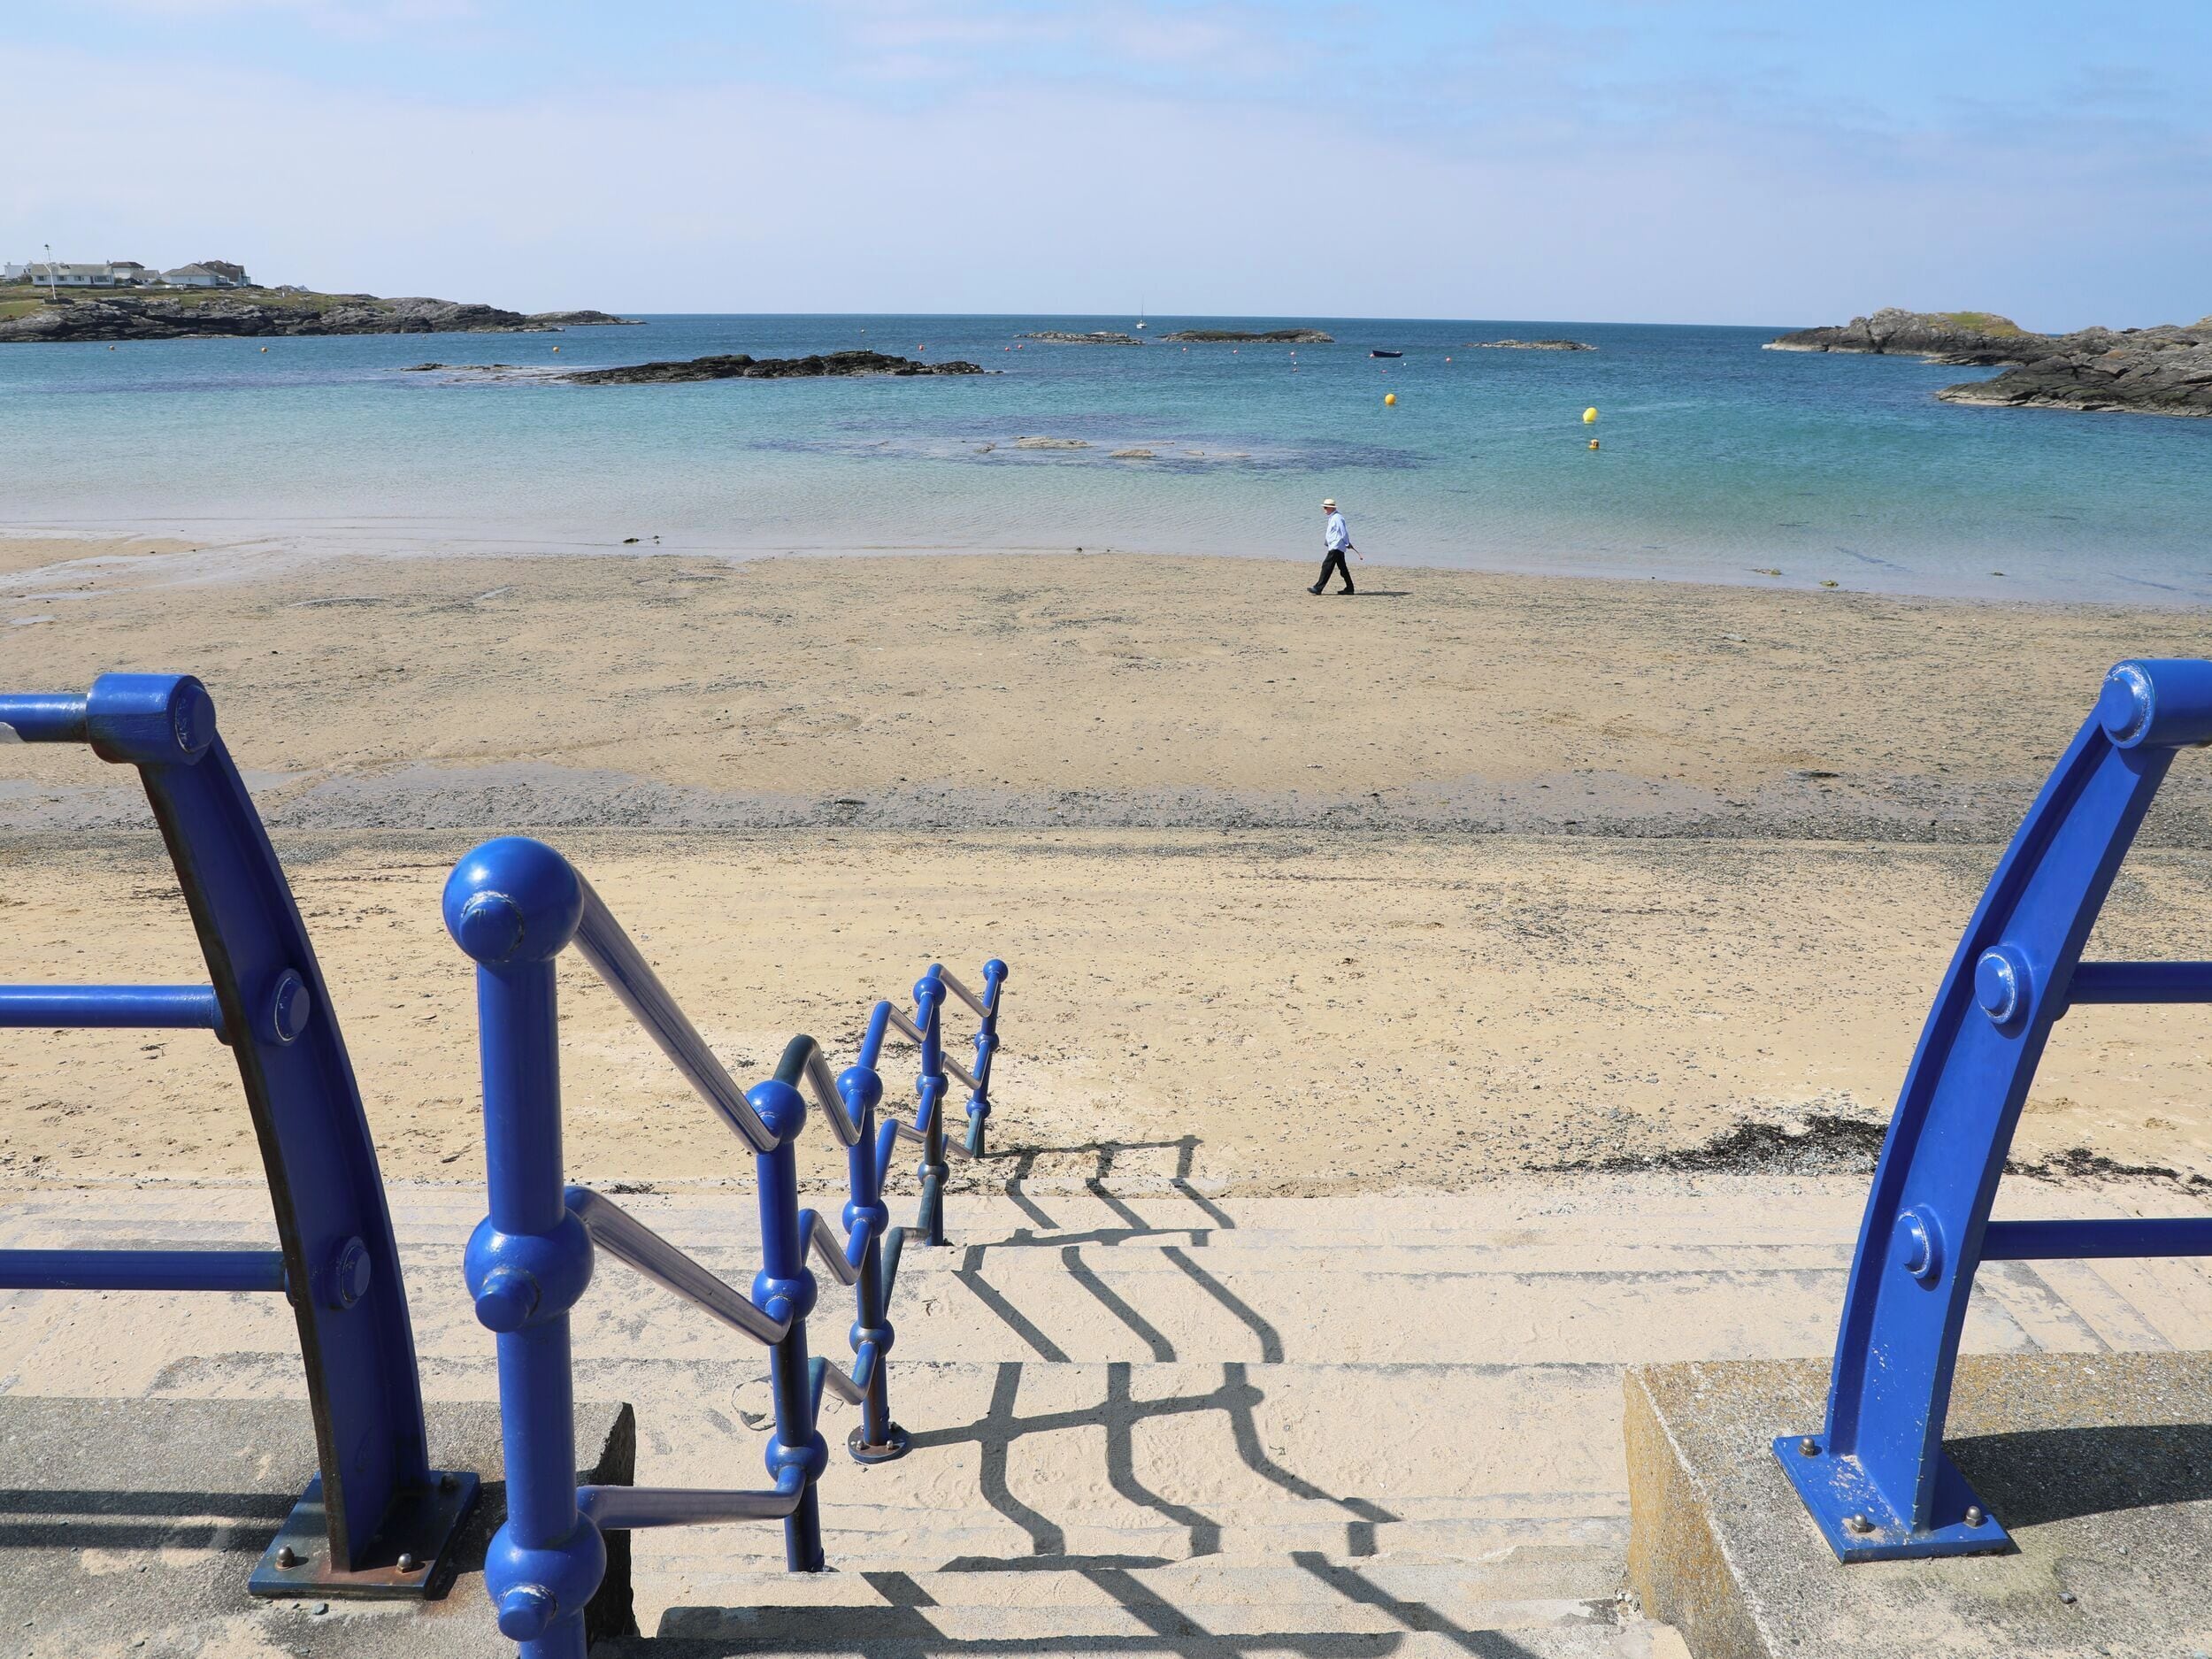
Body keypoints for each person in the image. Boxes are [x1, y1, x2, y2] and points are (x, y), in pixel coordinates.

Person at [1310, 498, 1356, 595]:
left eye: (1326, 507)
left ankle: (1318, 588)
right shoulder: (1333, 517)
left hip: (1337, 546)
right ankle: (1350, 588)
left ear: (1331, 508)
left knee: (1326, 566)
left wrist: (1347, 543)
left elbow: (1343, 531)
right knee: (1343, 568)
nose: (1324, 509)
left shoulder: (1337, 518)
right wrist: (1327, 542)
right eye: (1324, 507)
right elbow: (1332, 532)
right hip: (1335, 546)